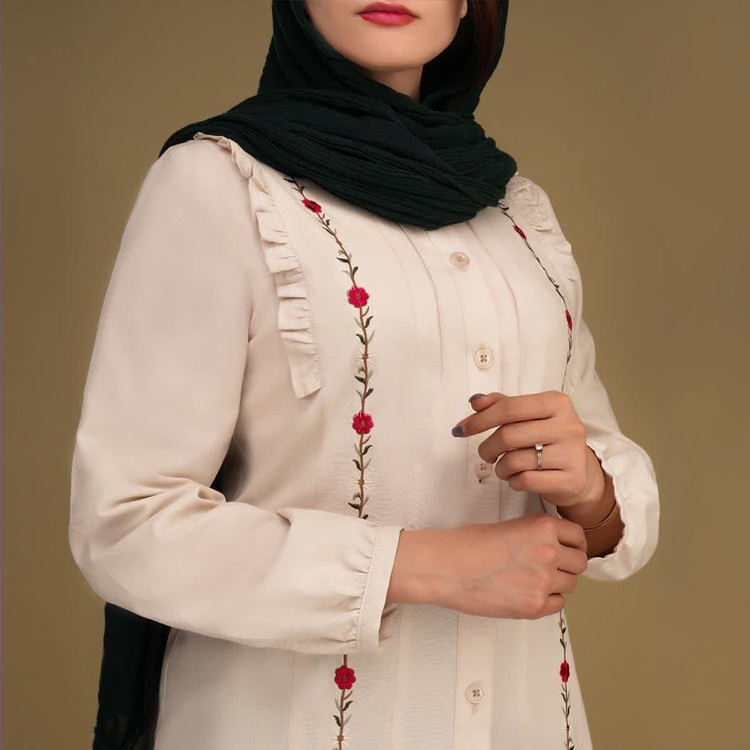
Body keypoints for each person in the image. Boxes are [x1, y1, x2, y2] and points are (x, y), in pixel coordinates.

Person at [68, 1, 660, 749]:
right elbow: (125, 524)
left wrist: (593, 494)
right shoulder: (219, 183)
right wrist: (420, 565)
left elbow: (607, 474)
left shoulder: (514, 213)